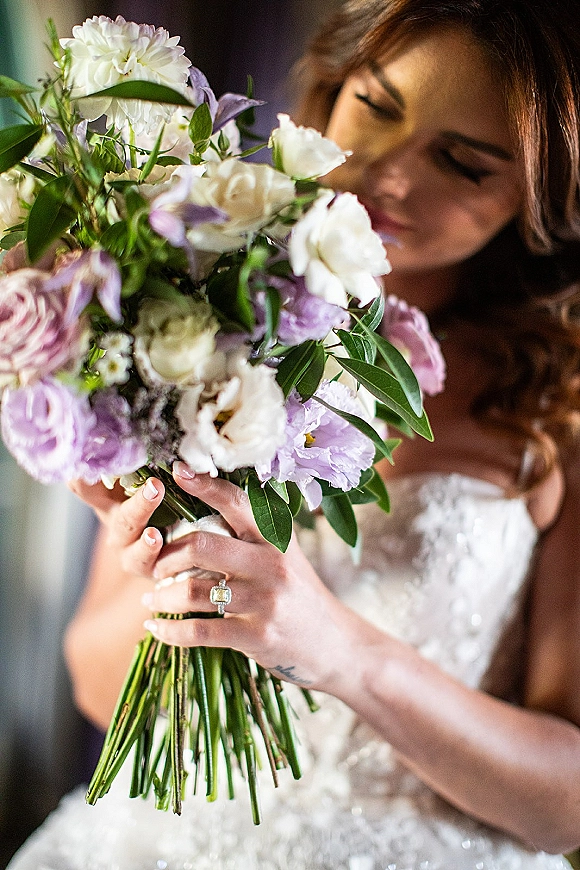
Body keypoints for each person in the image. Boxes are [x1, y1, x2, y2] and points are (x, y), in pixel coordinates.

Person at [8, 0, 580, 867]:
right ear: (333, 85)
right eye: (377, 108)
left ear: (536, 204)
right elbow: (93, 677)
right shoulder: (194, 312)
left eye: (462, 164)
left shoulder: (557, 411)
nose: (387, 173)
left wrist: (339, 651)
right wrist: (163, 582)